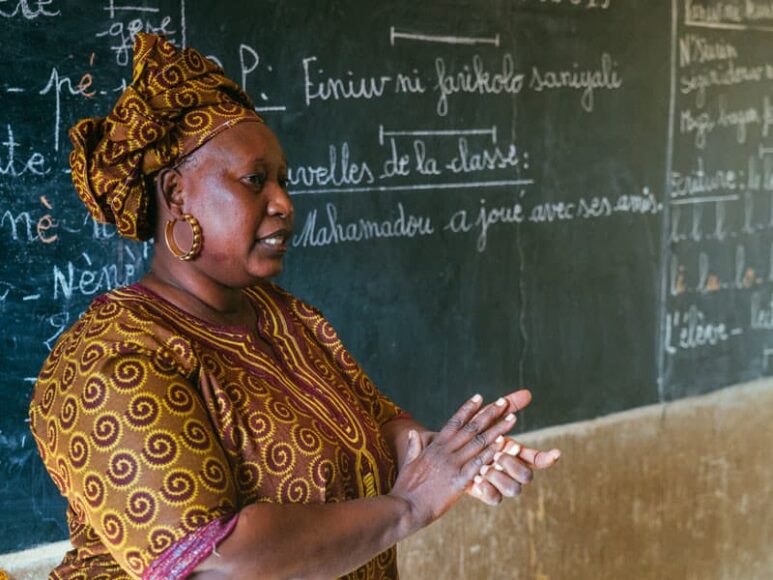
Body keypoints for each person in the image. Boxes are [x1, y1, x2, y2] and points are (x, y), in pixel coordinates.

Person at [29, 33, 561, 580]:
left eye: (283, 181)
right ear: (176, 194)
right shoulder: (110, 361)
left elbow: (375, 430)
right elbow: (217, 565)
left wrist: (447, 454)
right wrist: (410, 506)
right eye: (255, 181)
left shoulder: (282, 317)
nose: (284, 203)